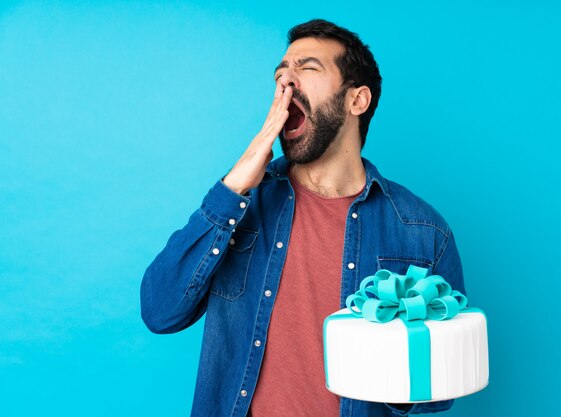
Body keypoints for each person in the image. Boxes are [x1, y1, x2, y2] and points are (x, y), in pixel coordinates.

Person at [140, 19, 466, 417]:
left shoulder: (422, 232)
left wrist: (393, 352)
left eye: (307, 69)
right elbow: (159, 311)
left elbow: (439, 390)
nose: (286, 83)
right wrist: (235, 185)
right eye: (281, 74)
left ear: (356, 100)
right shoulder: (240, 204)